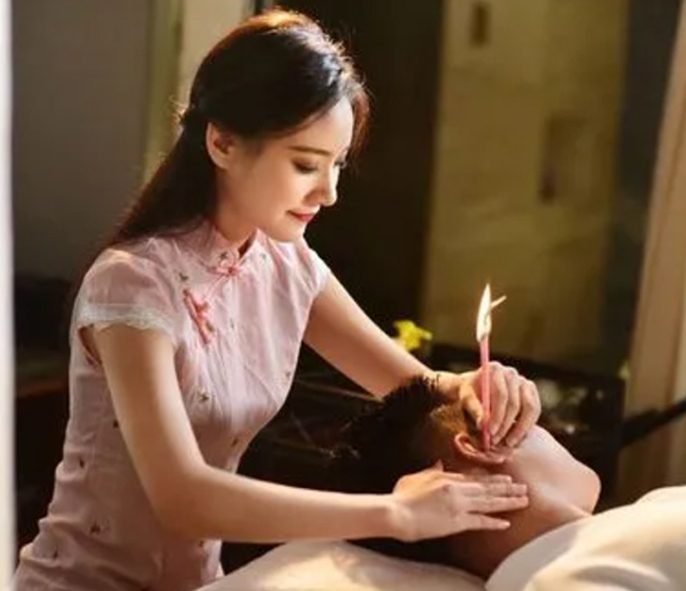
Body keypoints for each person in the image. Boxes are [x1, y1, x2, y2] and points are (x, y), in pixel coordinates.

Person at [13, 9, 542, 591]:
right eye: (306, 164)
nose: (329, 192)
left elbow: (411, 386)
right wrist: (395, 513)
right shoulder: (133, 285)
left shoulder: (286, 264)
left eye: (338, 165)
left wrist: (471, 385)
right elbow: (182, 496)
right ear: (222, 143)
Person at [332, 375, 686, 591]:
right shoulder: (565, 579)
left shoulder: (654, 506)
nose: (552, 434)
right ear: (484, 446)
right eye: (533, 424)